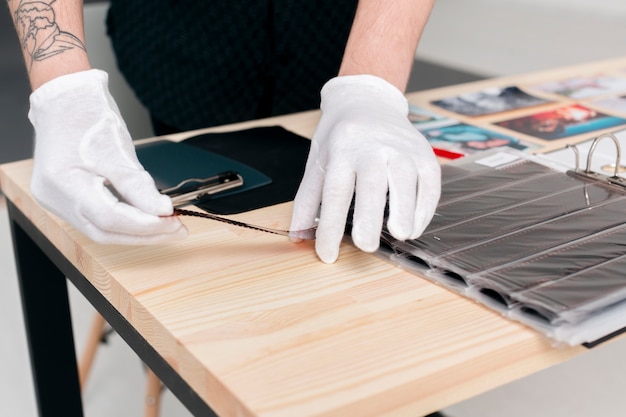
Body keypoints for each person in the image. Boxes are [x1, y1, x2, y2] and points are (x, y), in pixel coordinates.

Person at [7, 0, 441, 264]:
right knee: (200, 253)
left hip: (333, 40)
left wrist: (372, 80)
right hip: (186, 52)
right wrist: (62, 90)